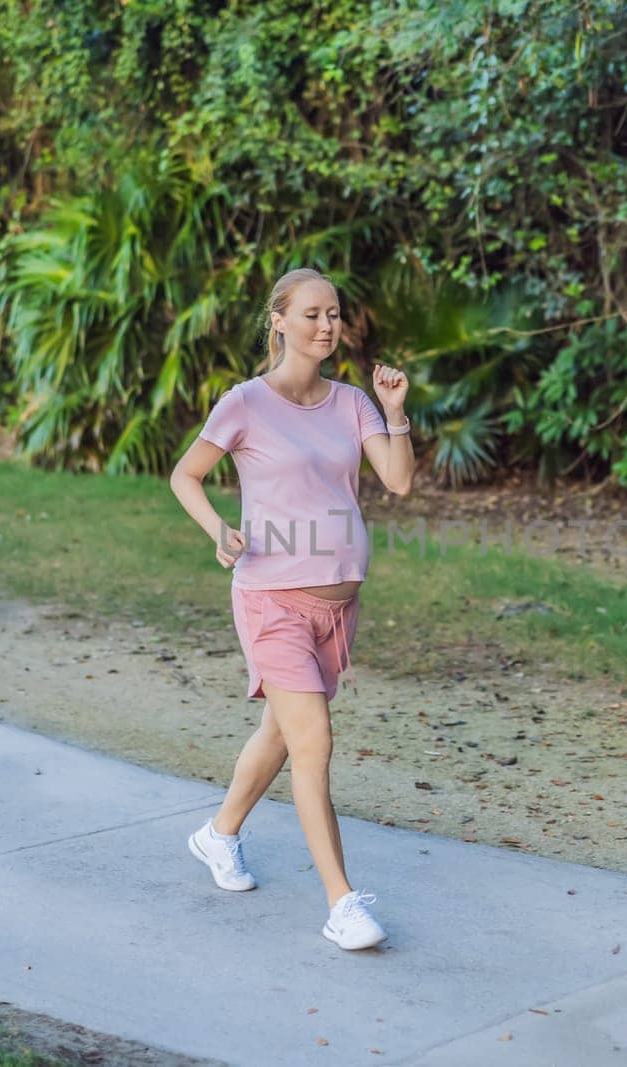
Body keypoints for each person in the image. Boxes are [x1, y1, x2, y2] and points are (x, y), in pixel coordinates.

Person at [168, 267, 414, 950]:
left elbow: (396, 479)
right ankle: (343, 903)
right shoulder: (245, 402)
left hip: (337, 608)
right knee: (314, 740)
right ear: (279, 321)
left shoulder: (353, 403)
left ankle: (218, 835)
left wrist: (395, 413)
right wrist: (218, 529)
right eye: (311, 314)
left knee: (281, 732)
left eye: (334, 313)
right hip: (270, 598)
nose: (326, 326)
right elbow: (184, 474)